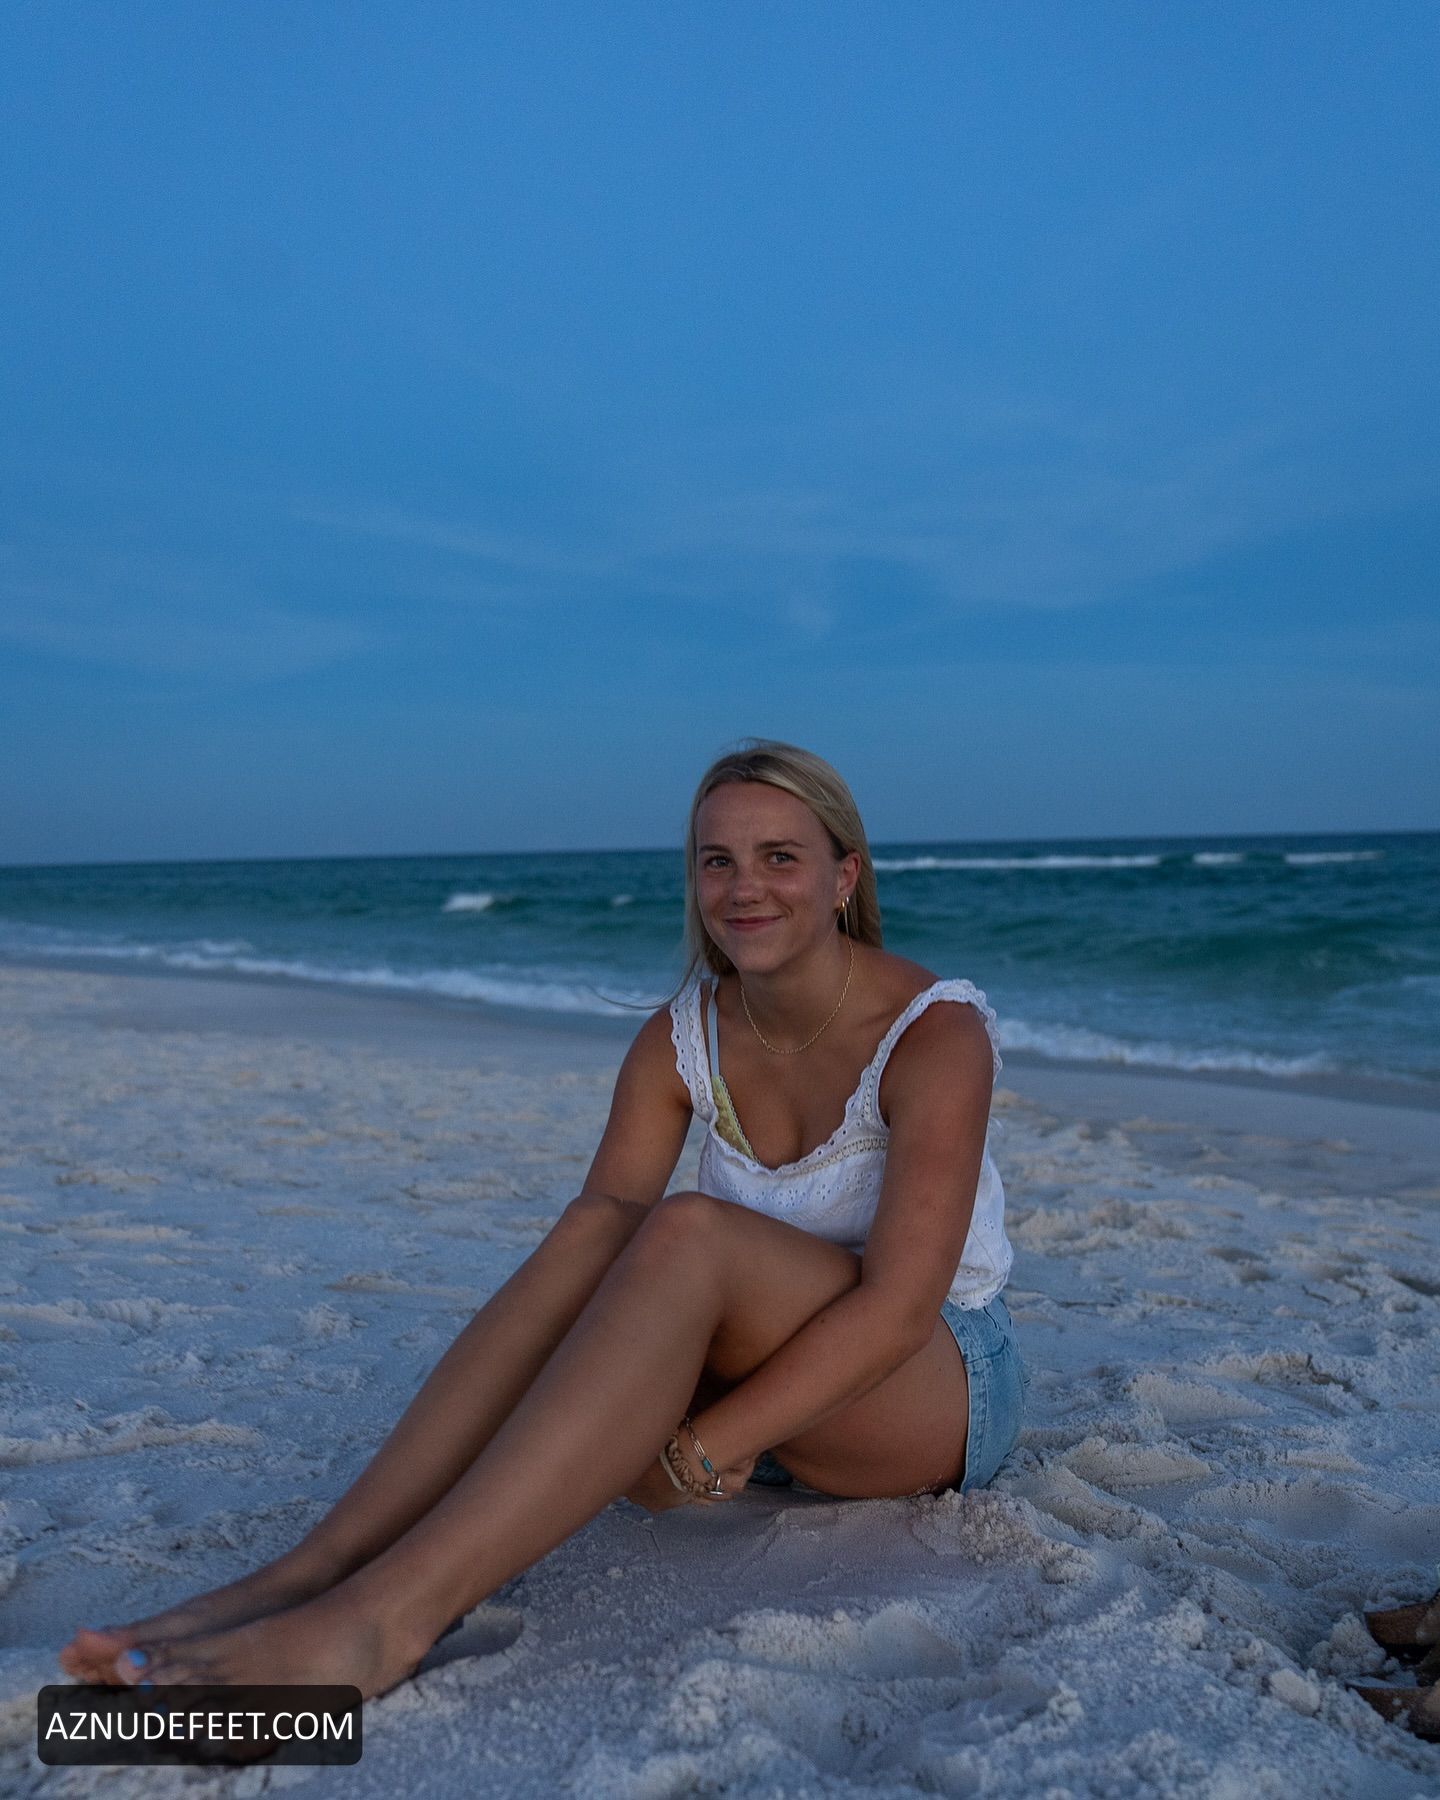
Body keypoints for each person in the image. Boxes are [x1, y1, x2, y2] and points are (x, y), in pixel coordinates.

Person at [58, 739, 1025, 1702]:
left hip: (930, 1390)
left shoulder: (934, 1033)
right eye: (717, 861)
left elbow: (899, 1309)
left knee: (686, 1231)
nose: (744, 888)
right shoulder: (683, 1036)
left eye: (780, 857)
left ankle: (384, 1622)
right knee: (600, 1232)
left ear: (843, 876)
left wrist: (697, 1451)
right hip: (767, 1394)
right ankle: (313, 1571)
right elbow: (588, 1245)